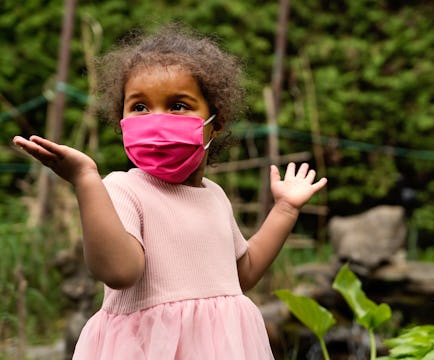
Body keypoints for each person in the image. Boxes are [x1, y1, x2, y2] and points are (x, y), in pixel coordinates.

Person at [12, 24, 327, 359]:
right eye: (139, 107)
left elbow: (242, 274)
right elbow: (119, 272)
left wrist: (285, 210)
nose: (156, 120)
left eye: (178, 105)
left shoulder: (215, 196)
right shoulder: (123, 189)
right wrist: (86, 179)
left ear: (215, 123)